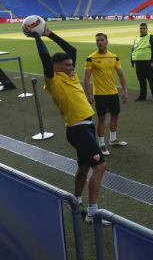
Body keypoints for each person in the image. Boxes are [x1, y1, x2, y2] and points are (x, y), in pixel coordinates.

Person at [25, 26, 107, 223]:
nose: (72, 67)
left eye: (72, 64)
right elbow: (45, 58)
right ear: (56, 66)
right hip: (77, 129)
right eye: (68, 64)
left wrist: (49, 33)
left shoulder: (70, 75)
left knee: (84, 166)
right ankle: (92, 212)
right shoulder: (53, 79)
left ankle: (76, 200)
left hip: (86, 126)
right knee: (101, 165)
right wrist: (37, 36)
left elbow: (72, 50)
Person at [84, 33, 128, 156]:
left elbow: (121, 74)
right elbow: (86, 78)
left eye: (102, 40)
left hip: (113, 92)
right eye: (97, 40)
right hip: (99, 94)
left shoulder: (114, 57)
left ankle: (113, 139)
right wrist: (89, 95)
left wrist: (124, 90)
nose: (100, 42)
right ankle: (101, 143)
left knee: (115, 115)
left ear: (107, 42)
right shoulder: (91, 58)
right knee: (102, 118)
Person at [131, 22, 153, 102]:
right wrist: (132, 61)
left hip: (148, 63)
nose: (142, 30)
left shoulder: (151, 37)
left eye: (144, 28)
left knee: (151, 80)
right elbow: (134, 49)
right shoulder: (136, 38)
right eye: (141, 28)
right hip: (138, 63)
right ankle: (142, 96)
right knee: (141, 80)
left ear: (147, 29)